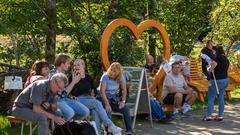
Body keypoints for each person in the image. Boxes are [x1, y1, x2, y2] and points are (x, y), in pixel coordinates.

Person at [69, 59, 122, 135]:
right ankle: (110, 125)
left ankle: (97, 133)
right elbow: (69, 92)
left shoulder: (88, 77)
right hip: (78, 99)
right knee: (97, 103)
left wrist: (93, 95)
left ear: (83, 66)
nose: (75, 67)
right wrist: (75, 81)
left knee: (95, 111)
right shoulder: (72, 77)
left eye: (78, 65)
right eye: (74, 65)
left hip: (88, 99)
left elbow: (94, 90)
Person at [49, 53, 89, 122]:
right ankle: (59, 129)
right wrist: (73, 82)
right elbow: (61, 94)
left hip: (65, 99)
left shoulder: (64, 74)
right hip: (55, 101)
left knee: (85, 112)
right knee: (70, 113)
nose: (69, 65)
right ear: (62, 64)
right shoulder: (53, 74)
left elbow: (65, 93)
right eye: (68, 63)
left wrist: (71, 96)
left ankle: (69, 124)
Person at [99, 62, 134, 135]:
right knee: (108, 110)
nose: (111, 72)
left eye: (114, 71)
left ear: (118, 73)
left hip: (114, 99)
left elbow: (124, 90)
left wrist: (123, 101)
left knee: (125, 108)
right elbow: (102, 92)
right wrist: (107, 104)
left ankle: (129, 131)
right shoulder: (105, 77)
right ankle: (109, 131)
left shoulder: (121, 77)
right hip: (103, 98)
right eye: (111, 70)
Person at [202, 46, 230, 121]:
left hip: (216, 81)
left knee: (211, 98)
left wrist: (208, 68)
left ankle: (208, 116)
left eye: (213, 51)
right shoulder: (225, 58)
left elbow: (211, 69)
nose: (213, 53)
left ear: (216, 51)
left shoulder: (217, 58)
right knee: (221, 98)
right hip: (225, 80)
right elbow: (229, 67)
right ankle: (220, 116)